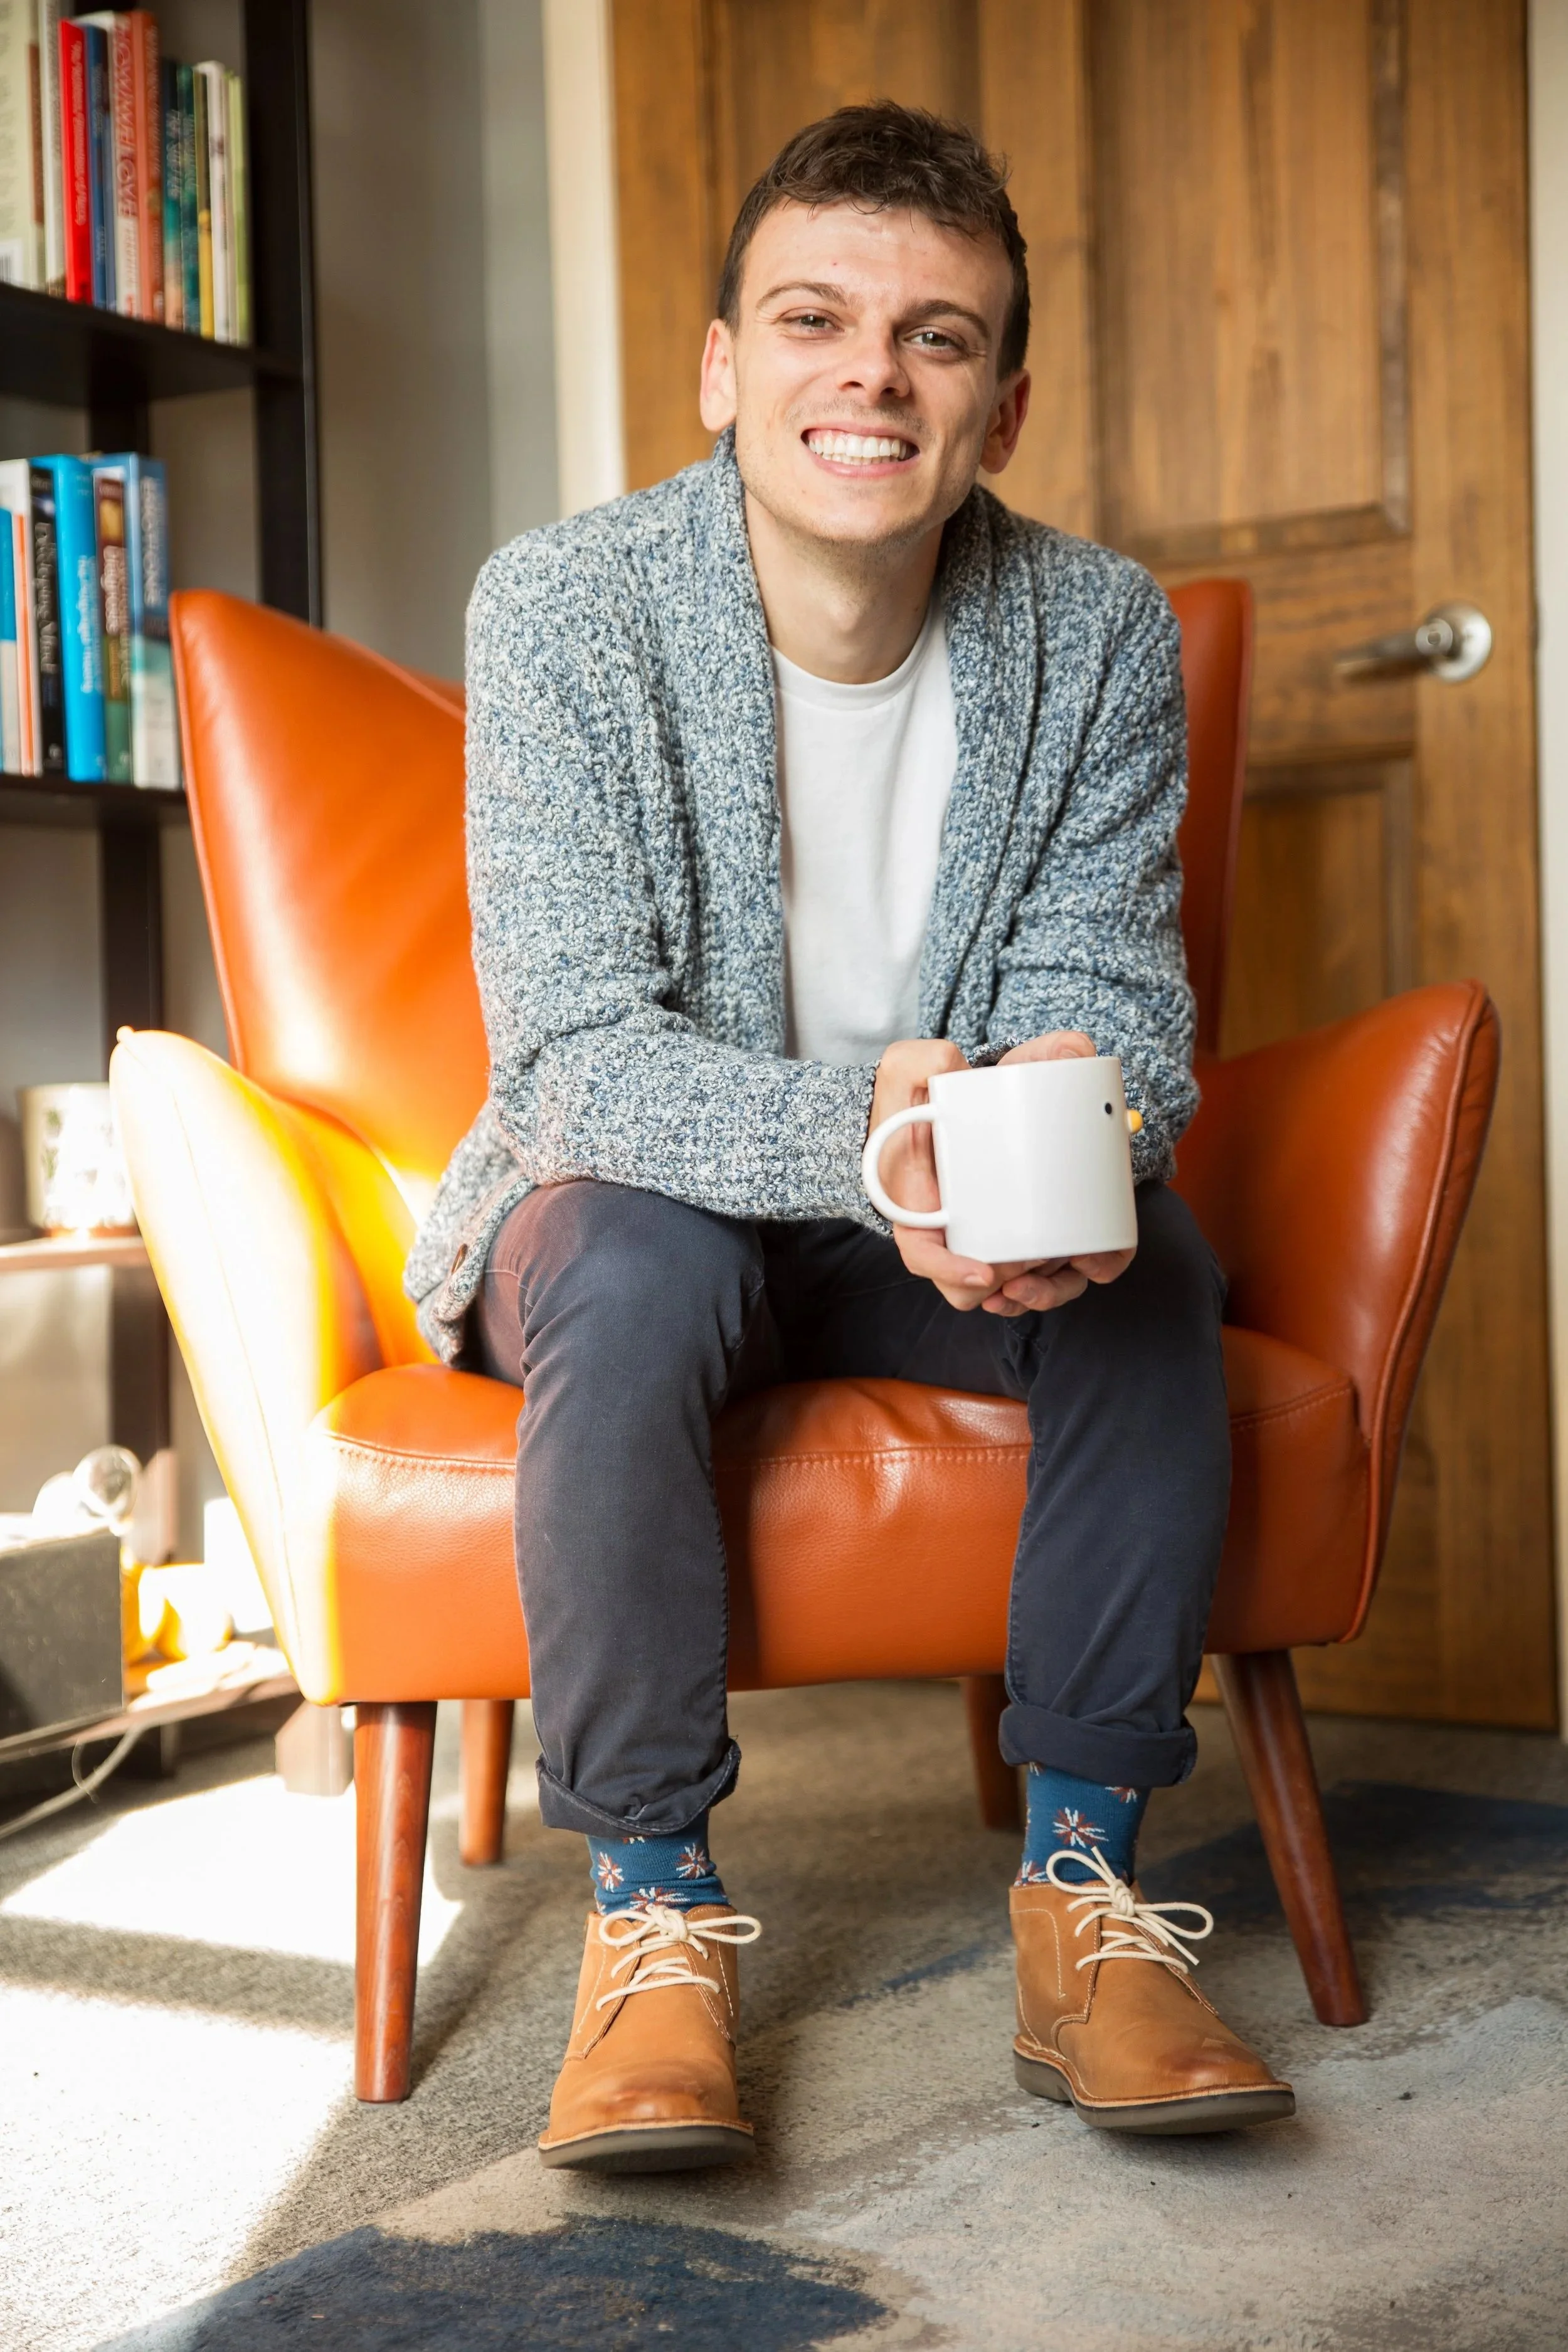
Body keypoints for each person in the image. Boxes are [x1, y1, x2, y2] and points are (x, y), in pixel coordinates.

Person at [405, 101, 1293, 2168]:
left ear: (1000, 405)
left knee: (1150, 1266)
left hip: (935, 1217)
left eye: (934, 336)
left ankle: (1087, 1898)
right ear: (725, 367)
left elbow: (1116, 995)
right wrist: (880, 1144)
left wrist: (1070, 1144)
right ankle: (649, 1916)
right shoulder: (563, 606)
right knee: (634, 1258)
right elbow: (570, 1060)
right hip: (629, 1206)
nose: (869, 376)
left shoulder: (1093, 630)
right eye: (812, 320)